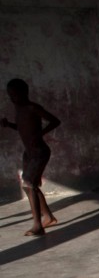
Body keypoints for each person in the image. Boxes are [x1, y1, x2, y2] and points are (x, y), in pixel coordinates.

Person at [2, 78, 61, 236]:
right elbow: (23, 128)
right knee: (28, 186)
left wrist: (40, 134)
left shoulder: (32, 108)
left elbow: (55, 121)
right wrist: (9, 125)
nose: (12, 98)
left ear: (24, 93)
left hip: (39, 152)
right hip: (28, 153)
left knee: (30, 184)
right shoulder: (19, 109)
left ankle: (37, 225)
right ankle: (47, 217)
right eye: (10, 95)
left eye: (15, 94)